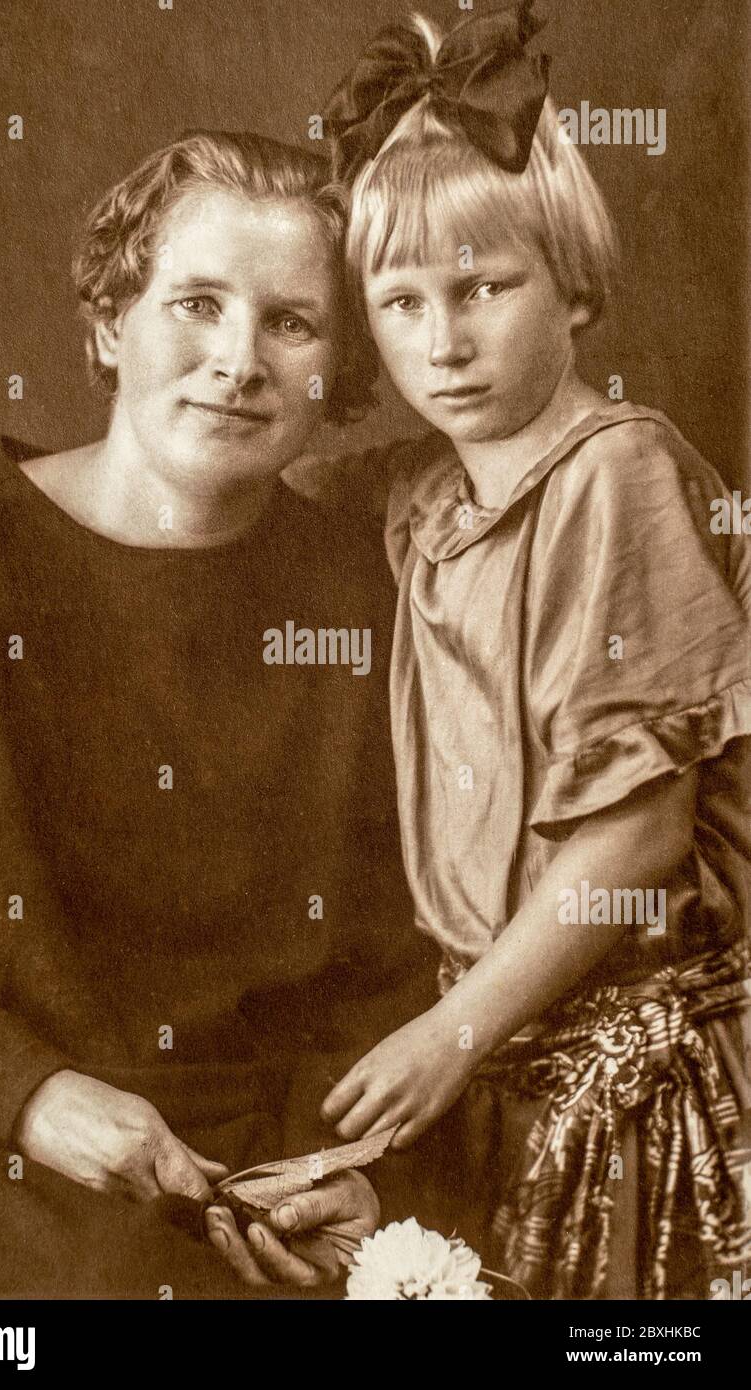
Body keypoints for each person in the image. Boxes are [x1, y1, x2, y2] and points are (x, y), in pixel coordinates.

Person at [0, 130, 436, 1299]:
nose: (239, 360)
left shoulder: (370, 597)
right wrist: (21, 1092)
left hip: (245, 1168)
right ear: (107, 326)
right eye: (196, 303)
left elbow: (393, 957)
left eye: (291, 323)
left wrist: (356, 1167)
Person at [303, 4, 751, 1299]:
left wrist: (451, 1030)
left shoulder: (611, 471)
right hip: (513, 1041)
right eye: (399, 302)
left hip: (641, 1047)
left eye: (482, 289)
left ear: (572, 282)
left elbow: (634, 833)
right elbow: (239, 490)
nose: (439, 339)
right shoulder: (422, 494)